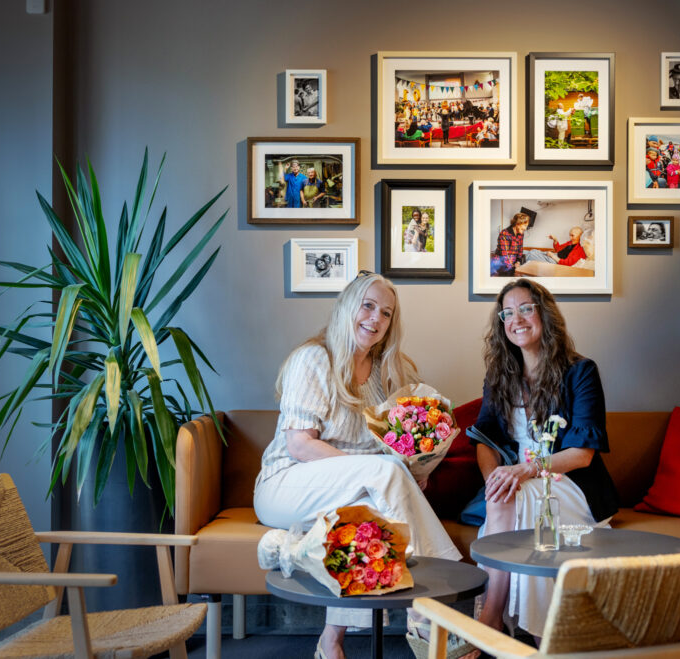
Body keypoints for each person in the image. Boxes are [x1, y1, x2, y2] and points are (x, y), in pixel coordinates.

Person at [253, 273, 464, 659]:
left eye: (386, 313)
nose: (376, 318)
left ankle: (330, 641)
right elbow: (299, 445)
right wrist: (383, 471)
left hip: (349, 488)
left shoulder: (388, 373)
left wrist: (417, 465)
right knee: (382, 475)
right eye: (368, 306)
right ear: (348, 306)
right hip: (286, 484)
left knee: (367, 515)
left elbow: (391, 448)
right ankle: (434, 605)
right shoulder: (315, 359)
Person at [471, 279, 619, 638]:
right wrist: (496, 479)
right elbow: (485, 441)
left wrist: (524, 471)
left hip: (570, 484)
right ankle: (540, 636)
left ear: (544, 314)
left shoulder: (581, 371)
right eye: (507, 313)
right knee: (506, 495)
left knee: (518, 497)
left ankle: (492, 617)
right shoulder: (499, 377)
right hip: (518, 481)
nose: (516, 319)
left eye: (525, 308)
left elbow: (582, 455)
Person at [492, 212, 530, 276]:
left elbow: (520, 249)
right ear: (518, 223)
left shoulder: (521, 234)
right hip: (502, 263)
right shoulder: (505, 233)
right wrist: (514, 268)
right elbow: (504, 255)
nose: (525, 228)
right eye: (525, 225)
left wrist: (518, 261)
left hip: (512, 262)